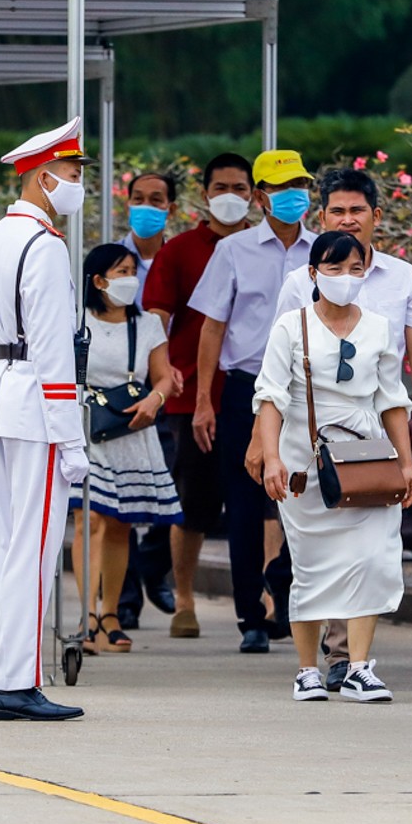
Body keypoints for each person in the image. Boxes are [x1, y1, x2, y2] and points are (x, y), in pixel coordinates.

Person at [253, 167, 412, 689]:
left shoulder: (379, 325)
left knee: (374, 558)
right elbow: (269, 395)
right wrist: (270, 456)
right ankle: (308, 669)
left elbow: (391, 399)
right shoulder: (292, 324)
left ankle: (358, 666)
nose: (346, 274)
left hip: (367, 451)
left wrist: (404, 464)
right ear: (313, 272)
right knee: (311, 566)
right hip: (304, 450)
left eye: (355, 267)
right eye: (334, 266)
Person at [0, 117, 91, 722]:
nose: (78, 186)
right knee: (34, 550)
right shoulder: (44, 247)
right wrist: (71, 438)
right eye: (72, 175)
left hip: (2, 397)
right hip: (38, 410)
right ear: (44, 179)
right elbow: (52, 351)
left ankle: (2, 673)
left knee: (9, 546)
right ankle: (16, 682)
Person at [186, 149, 316, 653]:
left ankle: (284, 587)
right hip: (246, 387)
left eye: (299, 186)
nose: (292, 197)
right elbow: (212, 326)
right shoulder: (234, 251)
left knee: (305, 493)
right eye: (281, 189)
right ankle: (250, 616)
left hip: (307, 391)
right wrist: (204, 399)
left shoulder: (322, 251)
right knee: (242, 502)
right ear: (260, 196)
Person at [139, 152, 254, 638]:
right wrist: (161, 377)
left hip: (256, 394)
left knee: (262, 501)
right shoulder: (181, 250)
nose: (231, 197)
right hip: (192, 396)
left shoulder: (267, 247)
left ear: (255, 194)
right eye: (221, 187)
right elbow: (156, 319)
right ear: (204, 194)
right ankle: (183, 598)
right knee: (194, 501)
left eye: (240, 189)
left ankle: (265, 599)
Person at [73, 243, 181, 653]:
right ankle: (87, 616)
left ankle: (111, 613)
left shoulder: (149, 324)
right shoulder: (77, 321)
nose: (130, 278)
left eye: (133, 270)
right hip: (89, 429)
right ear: (98, 281)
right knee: (90, 521)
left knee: (120, 524)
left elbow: (163, 376)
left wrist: (155, 400)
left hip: (134, 431)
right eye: (121, 271)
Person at [119, 171, 175, 290]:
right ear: (127, 208)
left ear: (172, 210)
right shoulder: (108, 260)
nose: (146, 205)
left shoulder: (181, 262)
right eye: (138, 199)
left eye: (155, 199)